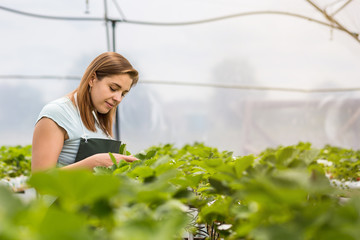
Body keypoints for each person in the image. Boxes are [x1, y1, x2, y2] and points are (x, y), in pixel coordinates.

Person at [31, 52, 139, 172]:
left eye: (123, 94)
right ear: (92, 79)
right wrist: (94, 163)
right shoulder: (57, 113)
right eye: (113, 88)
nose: (118, 98)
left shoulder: (98, 116)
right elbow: (40, 178)